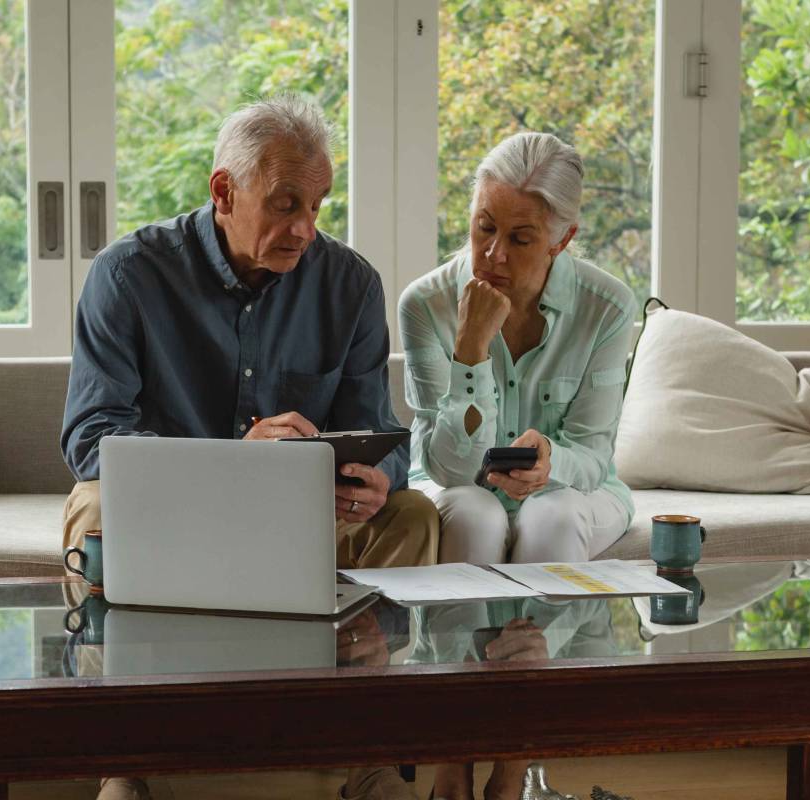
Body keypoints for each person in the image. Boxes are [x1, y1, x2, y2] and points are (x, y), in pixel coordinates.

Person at [59, 95, 436, 800]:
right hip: (172, 511)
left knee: (413, 517)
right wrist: (234, 458)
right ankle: (128, 758)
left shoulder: (350, 285)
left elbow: (379, 428)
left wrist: (376, 475)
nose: (304, 228)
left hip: (303, 518)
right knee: (94, 511)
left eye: (319, 205)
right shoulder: (128, 275)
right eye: (286, 203)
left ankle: (367, 753)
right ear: (223, 192)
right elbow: (89, 438)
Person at [398, 132, 637, 800]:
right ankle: (454, 766)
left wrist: (552, 461)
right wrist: (470, 349)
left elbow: (595, 453)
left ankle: (512, 771)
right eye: (483, 228)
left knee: (550, 514)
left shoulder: (609, 306)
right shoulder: (425, 304)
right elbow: (445, 466)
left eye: (521, 238)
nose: (494, 255)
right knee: (474, 512)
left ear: (562, 240)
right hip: (460, 489)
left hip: (573, 493)